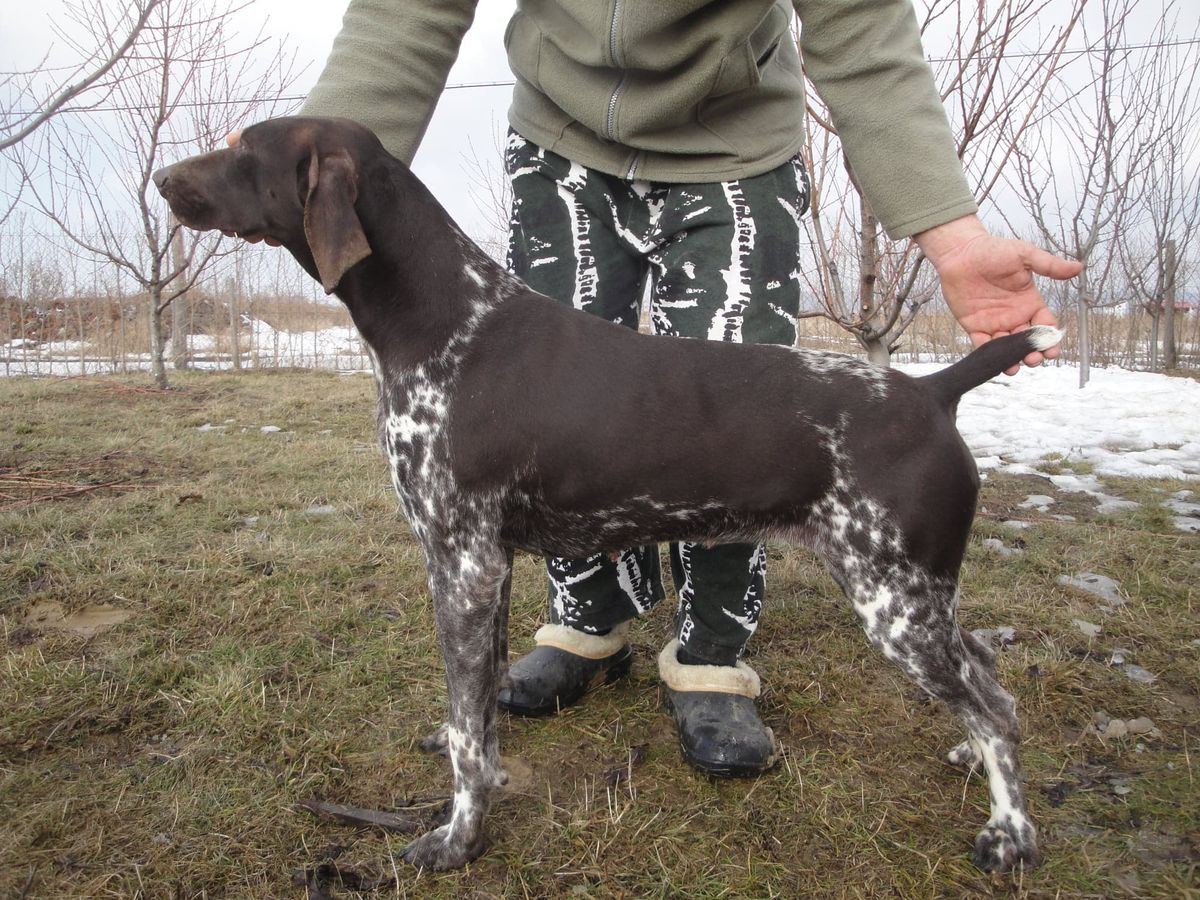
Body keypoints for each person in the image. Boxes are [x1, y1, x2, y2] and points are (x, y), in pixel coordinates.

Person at [235, 0, 1081, 777]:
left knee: (743, 432)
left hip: (736, 144)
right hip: (558, 140)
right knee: (540, 435)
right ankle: (585, 629)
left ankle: (711, 656)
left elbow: (863, 27)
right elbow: (406, 12)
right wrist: (331, 169)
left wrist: (952, 231)